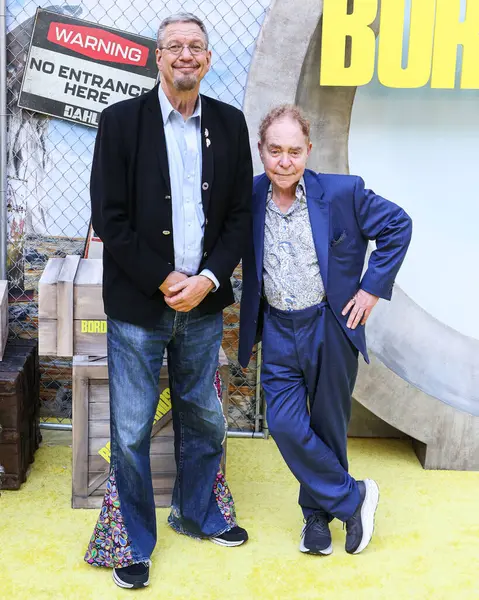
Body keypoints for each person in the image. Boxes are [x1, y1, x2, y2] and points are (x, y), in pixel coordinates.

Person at [85, 13, 252, 589]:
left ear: (207, 59)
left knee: (204, 416)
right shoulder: (121, 122)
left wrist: (206, 278)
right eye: (174, 46)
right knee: (130, 428)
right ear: (157, 56)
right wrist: (164, 280)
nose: (186, 54)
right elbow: (109, 216)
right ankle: (131, 540)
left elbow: (236, 218)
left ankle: (200, 513)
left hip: (204, 308)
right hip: (138, 306)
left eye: (196, 46)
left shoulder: (229, 125)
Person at [239, 105, 412, 556]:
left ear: (308, 151)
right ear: (261, 152)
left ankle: (316, 519)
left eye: (294, 151)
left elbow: (398, 225)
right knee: (284, 423)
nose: (284, 161)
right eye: (275, 150)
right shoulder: (249, 196)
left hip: (328, 325)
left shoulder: (341, 193)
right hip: (277, 326)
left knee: (328, 426)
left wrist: (371, 289)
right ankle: (354, 497)